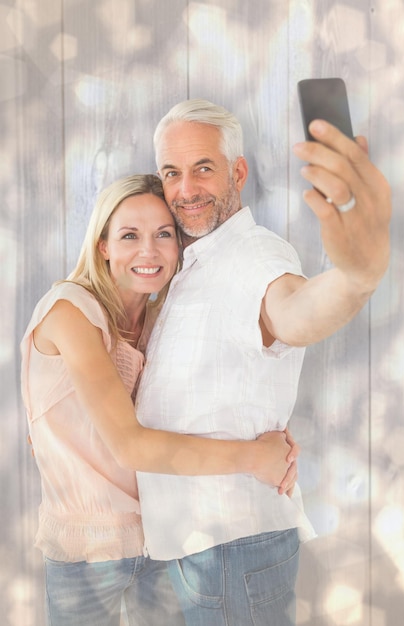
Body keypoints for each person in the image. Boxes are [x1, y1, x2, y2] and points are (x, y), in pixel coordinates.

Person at [134, 100, 391, 626]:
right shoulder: (189, 260)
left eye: (203, 168)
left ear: (238, 172)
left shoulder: (256, 255)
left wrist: (356, 276)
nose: (185, 190)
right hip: (195, 546)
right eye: (171, 173)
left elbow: (295, 311)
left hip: (234, 550)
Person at [20, 174, 300, 626]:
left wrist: (277, 443)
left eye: (163, 234)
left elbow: (208, 399)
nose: (148, 251)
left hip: (160, 540)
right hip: (88, 556)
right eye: (129, 235)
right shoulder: (69, 311)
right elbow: (129, 445)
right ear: (103, 245)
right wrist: (254, 457)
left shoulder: (158, 318)